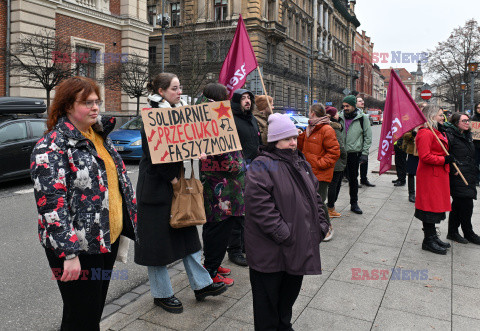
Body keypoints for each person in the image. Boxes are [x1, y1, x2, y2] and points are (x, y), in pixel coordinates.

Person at [30, 76, 137, 330]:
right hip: (78, 247)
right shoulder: (51, 146)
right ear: (67, 106)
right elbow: (51, 204)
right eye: (87, 102)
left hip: (105, 240)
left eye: (97, 102)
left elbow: (116, 185)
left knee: (91, 312)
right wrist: (69, 254)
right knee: (82, 315)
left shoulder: (99, 136)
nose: (95, 107)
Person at [134, 73, 226, 314]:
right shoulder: (152, 116)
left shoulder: (181, 112)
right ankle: (162, 294)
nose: (179, 90)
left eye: (179, 86)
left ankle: (202, 285)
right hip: (156, 188)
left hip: (178, 182)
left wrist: (199, 152)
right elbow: (154, 154)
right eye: (174, 88)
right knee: (156, 246)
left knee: (188, 236)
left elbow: (184, 145)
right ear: (161, 92)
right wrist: (174, 180)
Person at [244, 113, 329, 330]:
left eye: (294, 137)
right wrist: (284, 233)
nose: (293, 142)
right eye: (287, 139)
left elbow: (315, 197)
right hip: (270, 251)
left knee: (287, 299)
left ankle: (284, 325)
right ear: (274, 141)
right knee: (267, 304)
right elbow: (259, 206)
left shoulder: (300, 162)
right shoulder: (262, 165)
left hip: (296, 247)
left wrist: (321, 224)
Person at [199, 83, 246, 286]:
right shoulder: (214, 117)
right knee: (218, 229)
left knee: (215, 227)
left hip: (221, 184)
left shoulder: (210, 115)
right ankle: (210, 271)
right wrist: (237, 165)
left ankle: (213, 265)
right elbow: (221, 155)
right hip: (220, 186)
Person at [228, 88, 261, 266]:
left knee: (248, 211)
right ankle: (234, 250)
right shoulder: (231, 120)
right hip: (236, 172)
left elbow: (257, 142)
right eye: (243, 98)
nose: (247, 101)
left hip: (253, 170)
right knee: (237, 212)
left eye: (249, 98)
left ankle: (244, 245)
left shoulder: (252, 119)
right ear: (236, 101)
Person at [298, 103, 340, 241]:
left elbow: (334, 153)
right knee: (310, 201)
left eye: (309, 111)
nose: (308, 113)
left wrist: (319, 164)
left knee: (319, 202)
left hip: (321, 173)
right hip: (309, 171)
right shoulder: (310, 128)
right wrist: (298, 136)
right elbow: (302, 146)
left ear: (313, 113)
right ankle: (314, 226)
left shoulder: (327, 129)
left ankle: (327, 228)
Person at [415, 105, 452, 255]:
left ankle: (432, 237)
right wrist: (444, 159)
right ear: (431, 116)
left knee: (434, 207)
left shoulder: (435, 132)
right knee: (429, 208)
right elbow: (425, 156)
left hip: (437, 175)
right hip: (430, 176)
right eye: (440, 115)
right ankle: (428, 240)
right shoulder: (425, 133)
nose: (442, 117)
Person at [444, 113, 480, 244]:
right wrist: (453, 169)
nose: (467, 123)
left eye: (468, 120)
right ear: (456, 122)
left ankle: (453, 232)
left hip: (468, 173)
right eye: (464, 120)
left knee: (459, 205)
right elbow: (446, 154)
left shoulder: (467, 135)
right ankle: (467, 232)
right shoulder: (450, 135)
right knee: (465, 204)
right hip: (458, 174)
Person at [339, 95, 373, 214]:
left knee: (353, 179)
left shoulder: (362, 118)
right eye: (343, 106)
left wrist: (364, 153)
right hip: (340, 153)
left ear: (353, 105)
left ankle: (354, 204)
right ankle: (331, 203)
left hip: (354, 153)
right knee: (336, 179)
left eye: (347, 106)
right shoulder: (339, 116)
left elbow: (368, 137)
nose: (345, 108)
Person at [325, 106, 347, 218]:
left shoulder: (325, 126)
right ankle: (330, 208)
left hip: (328, 159)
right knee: (335, 184)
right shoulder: (335, 127)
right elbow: (340, 146)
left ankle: (329, 207)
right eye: (337, 113)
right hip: (337, 160)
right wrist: (344, 156)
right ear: (334, 116)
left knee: (331, 184)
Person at [357, 96, 376, 187]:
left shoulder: (363, 113)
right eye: (360, 101)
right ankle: (354, 180)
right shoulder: (355, 114)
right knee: (355, 163)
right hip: (356, 143)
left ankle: (364, 179)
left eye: (362, 101)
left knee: (365, 161)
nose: (362, 102)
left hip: (364, 143)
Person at [472, 102, 480, 186]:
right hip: (476, 144)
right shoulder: (473, 118)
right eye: (478, 108)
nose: (479, 109)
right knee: (476, 163)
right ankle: (477, 179)